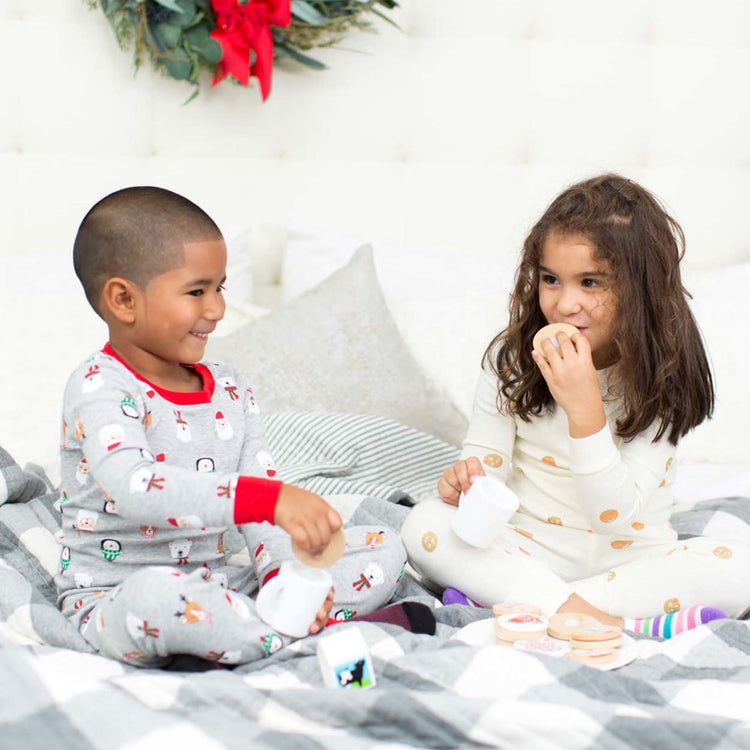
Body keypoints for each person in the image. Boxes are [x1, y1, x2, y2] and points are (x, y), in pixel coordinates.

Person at [56, 186, 406, 667]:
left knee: (382, 547)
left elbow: (261, 509)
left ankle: (257, 630)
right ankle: (296, 636)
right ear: (123, 300)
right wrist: (268, 499)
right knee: (158, 599)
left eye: (220, 287)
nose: (217, 309)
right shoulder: (98, 386)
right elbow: (135, 486)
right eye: (197, 291)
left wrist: (284, 576)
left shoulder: (230, 389)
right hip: (120, 599)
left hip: (220, 587)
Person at [402, 173, 749, 638]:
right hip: (527, 547)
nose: (566, 303)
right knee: (422, 525)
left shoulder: (661, 373)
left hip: (631, 560)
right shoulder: (512, 359)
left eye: (590, 282)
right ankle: (593, 617)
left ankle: (541, 605)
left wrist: (585, 407)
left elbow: (616, 514)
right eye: (551, 280)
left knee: (739, 567)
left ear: (640, 288)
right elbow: (487, 462)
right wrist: (468, 483)